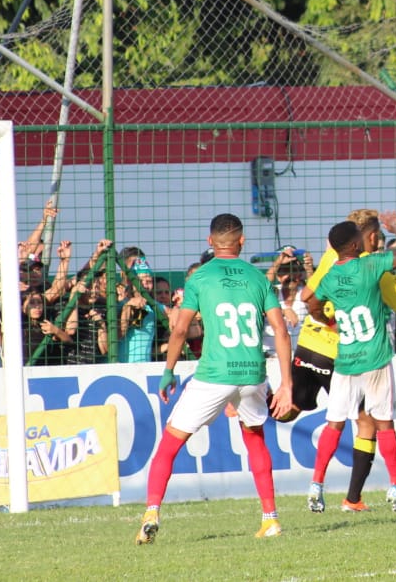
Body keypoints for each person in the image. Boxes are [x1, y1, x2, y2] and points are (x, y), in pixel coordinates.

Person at [136, 213, 293, 544]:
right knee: (255, 439)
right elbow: (281, 330)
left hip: (214, 373)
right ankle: (270, 518)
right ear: (242, 241)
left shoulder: (200, 278)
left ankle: (151, 513)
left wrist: (168, 371)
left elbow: (181, 329)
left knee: (170, 444)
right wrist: (286, 384)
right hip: (252, 372)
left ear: (210, 242)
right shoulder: (258, 277)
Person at [304, 212, 396, 514]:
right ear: (356, 244)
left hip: (346, 361)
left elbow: (312, 302)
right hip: (375, 358)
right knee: (384, 423)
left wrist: (327, 320)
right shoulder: (370, 265)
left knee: (334, 424)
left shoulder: (331, 275)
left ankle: (316, 484)